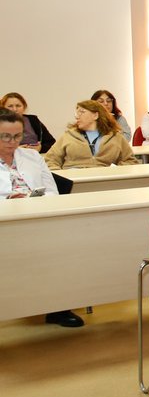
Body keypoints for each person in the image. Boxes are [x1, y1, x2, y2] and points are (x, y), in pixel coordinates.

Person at [0, 109, 83, 328]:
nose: (12, 142)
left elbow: (52, 191)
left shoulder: (32, 156)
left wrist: (32, 199)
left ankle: (58, 306)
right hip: (5, 224)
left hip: (38, 215)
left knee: (63, 247)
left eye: (17, 136)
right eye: (5, 136)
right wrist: (8, 200)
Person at [44, 100, 137, 169]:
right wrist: (62, 176)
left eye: (82, 112)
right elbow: (50, 160)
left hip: (106, 182)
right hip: (74, 183)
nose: (77, 116)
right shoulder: (68, 136)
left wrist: (115, 171)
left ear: (95, 115)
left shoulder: (115, 137)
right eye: (76, 113)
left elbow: (130, 161)